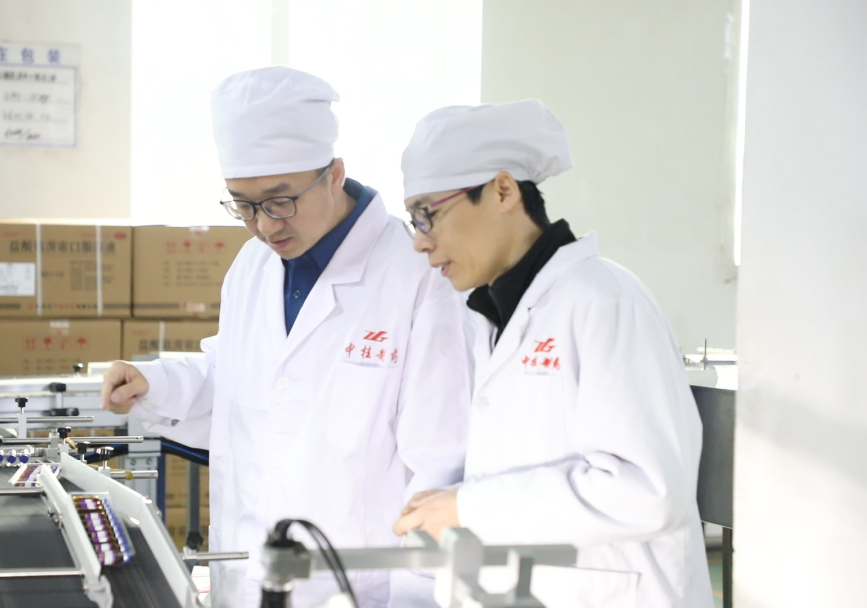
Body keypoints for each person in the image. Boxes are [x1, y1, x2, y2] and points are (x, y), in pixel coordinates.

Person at [101, 67, 472, 608]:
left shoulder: (417, 276)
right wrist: (155, 384)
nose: (266, 225)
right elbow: (239, 382)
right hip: (248, 573)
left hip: (355, 586)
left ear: (334, 175)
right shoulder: (253, 266)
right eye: (244, 205)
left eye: (280, 200)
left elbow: (439, 462)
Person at [392, 100, 712, 608]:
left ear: (503, 191)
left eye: (427, 215)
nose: (420, 242)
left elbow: (648, 490)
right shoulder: (492, 318)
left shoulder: (604, 300)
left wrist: (470, 507)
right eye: (413, 220)